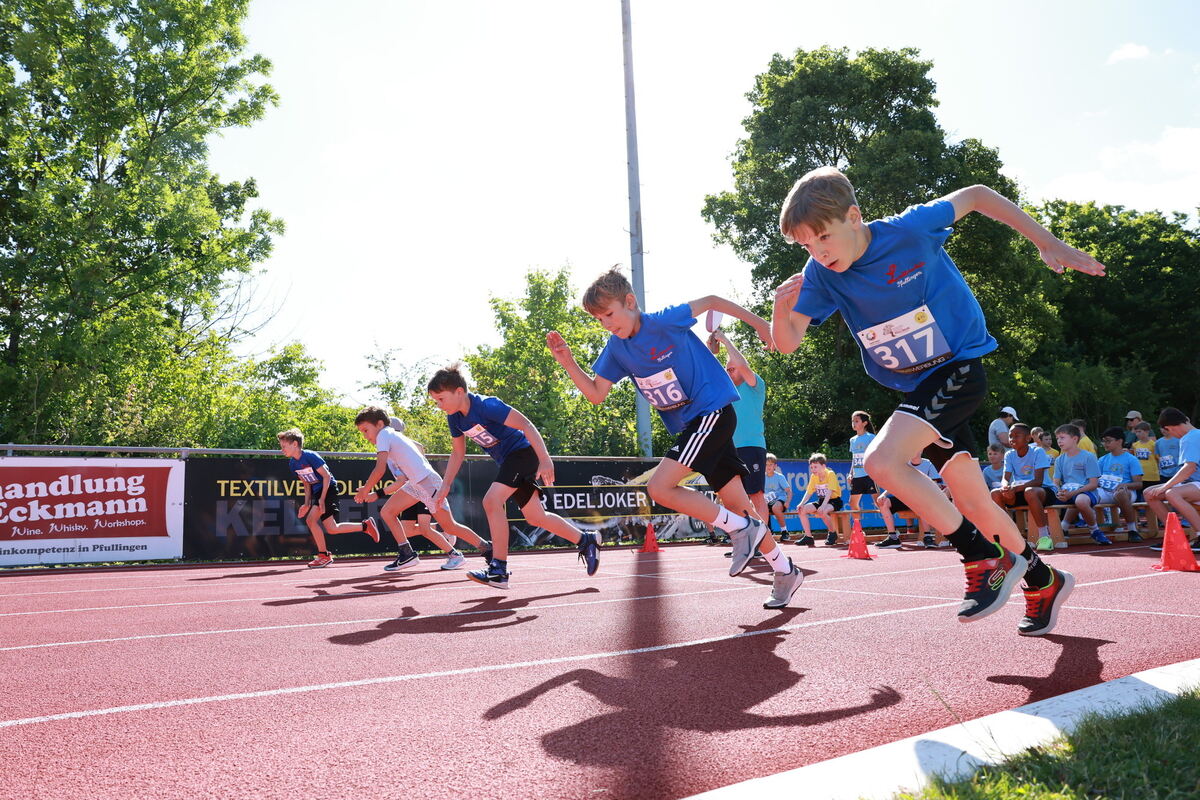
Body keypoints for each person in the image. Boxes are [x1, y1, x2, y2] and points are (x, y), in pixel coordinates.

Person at [771, 166, 1101, 635]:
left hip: (959, 369)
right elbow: (786, 344)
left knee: (882, 461)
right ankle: (1042, 578)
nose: (819, 253)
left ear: (854, 216)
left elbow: (978, 194)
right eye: (806, 246)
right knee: (975, 502)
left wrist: (1046, 241)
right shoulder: (820, 275)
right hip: (918, 389)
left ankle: (981, 556)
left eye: (824, 237)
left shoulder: (908, 230)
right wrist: (780, 308)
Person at [548, 267, 804, 609]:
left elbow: (712, 300)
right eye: (599, 320)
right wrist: (568, 362)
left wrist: (760, 324)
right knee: (739, 506)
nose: (607, 324)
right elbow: (596, 394)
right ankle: (785, 569)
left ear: (630, 302)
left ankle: (740, 529)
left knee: (659, 488)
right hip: (693, 425)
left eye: (609, 314)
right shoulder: (616, 349)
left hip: (712, 411)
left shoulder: (664, 321)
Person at [426, 365, 600, 589]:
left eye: (441, 399)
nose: (439, 406)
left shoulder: (488, 406)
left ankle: (498, 569)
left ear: (459, 392)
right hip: (508, 462)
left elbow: (526, 424)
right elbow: (458, 452)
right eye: (435, 401)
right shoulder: (455, 419)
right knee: (536, 517)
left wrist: (545, 459)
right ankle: (586, 539)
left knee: (491, 501)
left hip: (524, 454)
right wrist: (445, 485)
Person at [351, 407, 491, 571]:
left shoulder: (383, 434)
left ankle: (486, 549)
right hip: (416, 483)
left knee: (450, 527)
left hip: (427, 483)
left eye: (366, 430)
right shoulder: (391, 435)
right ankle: (406, 553)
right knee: (387, 512)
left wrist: (365, 490)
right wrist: (374, 492)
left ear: (380, 424)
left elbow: (379, 469)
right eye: (362, 432)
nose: (365, 436)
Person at [277, 428, 380, 568]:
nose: (281, 449)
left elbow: (326, 476)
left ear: (295, 444)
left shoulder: (310, 456)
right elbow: (306, 484)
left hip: (328, 489)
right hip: (317, 492)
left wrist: (322, 499)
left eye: (284, 446)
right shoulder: (292, 464)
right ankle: (365, 526)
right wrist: (307, 504)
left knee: (311, 520)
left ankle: (323, 555)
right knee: (332, 528)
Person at [708, 329, 770, 525]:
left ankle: (764, 542)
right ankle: (742, 541)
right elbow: (706, 372)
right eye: (727, 369)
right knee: (733, 499)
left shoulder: (755, 385)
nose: (728, 372)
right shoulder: (726, 391)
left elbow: (742, 364)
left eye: (731, 369)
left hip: (752, 447)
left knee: (756, 495)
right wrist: (711, 350)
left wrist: (725, 339)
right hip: (729, 450)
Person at [991, 423, 1059, 552]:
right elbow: (1005, 479)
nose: (1012, 439)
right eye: (1010, 436)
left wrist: (1015, 489)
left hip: (1043, 491)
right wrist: (1006, 488)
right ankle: (1010, 536)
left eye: (1017, 436)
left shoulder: (1038, 451)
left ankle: (1044, 536)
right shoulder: (1009, 455)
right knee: (995, 493)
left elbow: (1038, 481)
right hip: (1021, 491)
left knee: (1030, 492)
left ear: (1028, 438)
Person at [1144, 407, 1200, 552]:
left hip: (1196, 483)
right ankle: (1176, 536)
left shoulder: (1189, 438)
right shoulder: (1194, 435)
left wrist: (1165, 487)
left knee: (1171, 493)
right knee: (1150, 493)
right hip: (1194, 484)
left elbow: (1189, 468)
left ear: (1168, 428)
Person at [1052, 424, 1111, 545]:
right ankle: (1053, 530)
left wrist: (1071, 493)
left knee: (1080, 501)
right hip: (1067, 492)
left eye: (1062, 437)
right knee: (1044, 498)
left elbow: (1093, 484)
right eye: (1057, 438)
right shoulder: (1059, 459)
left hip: (1087, 492)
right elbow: (1056, 482)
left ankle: (1095, 531)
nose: (1059, 441)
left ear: (1074, 439)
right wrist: (1059, 491)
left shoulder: (1088, 457)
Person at [875, 456, 946, 548]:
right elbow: (894, 484)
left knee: (923, 500)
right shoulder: (903, 464)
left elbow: (937, 484)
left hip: (921, 499)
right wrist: (883, 494)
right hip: (904, 498)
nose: (914, 452)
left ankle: (928, 537)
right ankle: (893, 538)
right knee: (884, 502)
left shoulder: (928, 464)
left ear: (921, 450)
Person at [849, 410, 897, 540]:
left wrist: (877, 470)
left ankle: (892, 531)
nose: (853, 423)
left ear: (864, 423)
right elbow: (854, 458)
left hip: (870, 475)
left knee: (879, 502)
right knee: (852, 504)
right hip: (857, 477)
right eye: (853, 421)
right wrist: (851, 473)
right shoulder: (852, 440)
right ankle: (859, 531)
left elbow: (877, 455)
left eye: (856, 421)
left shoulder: (871, 438)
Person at [1096, 426, 1144, 541]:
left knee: (1120, 494)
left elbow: (1138, 484)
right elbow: (1095, 480)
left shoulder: (1131, 459)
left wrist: (1124, 485)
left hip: (1126, 492)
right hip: (1105, 492)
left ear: (1119, 441)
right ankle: (1066, 527)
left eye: (1108, 441)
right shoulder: (1102, 460)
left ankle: (1132, 530)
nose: (1105, 444)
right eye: (1104, 441)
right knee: (1083, 495)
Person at [794, 453, 844, 547]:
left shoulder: (830, 474)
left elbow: (829, 492)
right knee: (802, 510)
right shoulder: (814, 477)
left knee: (822, 512)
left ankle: (832, 533)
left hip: (834, 501)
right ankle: (808, 537)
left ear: (823, 466)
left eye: (815, 467)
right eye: (811, 467)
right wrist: (801, 503)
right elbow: (809, 492)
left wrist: (823, 506)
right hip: (821, 501)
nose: (813, 470)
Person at [763, 453, 793, 539]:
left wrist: (787, 502)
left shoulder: (780, 477)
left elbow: (789, 491)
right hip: (767, 501)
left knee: (775, 507)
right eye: (766, 464)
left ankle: (784, 532)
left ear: (775, 466)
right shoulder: (762, 477)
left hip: (779, 500)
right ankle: (768, 531)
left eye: (770, 464)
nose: (768, 467)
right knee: (761, 506)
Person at [1129, 421, 1160, 499]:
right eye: (1136, 432)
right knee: (1139, 497)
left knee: (1151, 497)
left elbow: (1158, 459)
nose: (1137, 434)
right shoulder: (1135, 445)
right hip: (1139, 475)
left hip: (1152, 476)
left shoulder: (1153, 444)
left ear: (1147, 432)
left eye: (1139, 431)